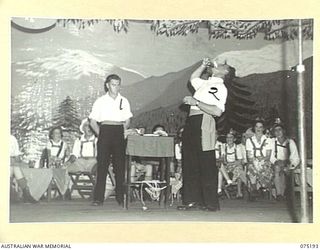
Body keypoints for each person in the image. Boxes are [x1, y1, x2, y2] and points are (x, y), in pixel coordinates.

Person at [178, 58, 234, 211]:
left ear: (225, 72)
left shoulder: (221, 88)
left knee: (206, 163)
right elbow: (193, 79)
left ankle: (210, 203)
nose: (218, 64)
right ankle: (191, 200)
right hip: (192, 122)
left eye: (222, 65)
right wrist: (203, 65)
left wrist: (195, 102)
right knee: (189, 161)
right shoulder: (206, 83)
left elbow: (216, 111)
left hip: (204, 122)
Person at [89, 74, 132, 206]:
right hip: (105, 131)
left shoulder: (124, 101)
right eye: (113, 84)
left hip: (119, 130)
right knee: (102, 166)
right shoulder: (100, 101)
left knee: (120, 166)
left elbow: (128, 120)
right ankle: (98, 198)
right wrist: (101, 134)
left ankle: (121, 197)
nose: (116, 87)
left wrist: (123, 132)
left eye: (118, 84)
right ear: (107, 85)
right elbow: (92, 121)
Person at [270, 118, 300, 201]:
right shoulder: (272, 142)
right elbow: (271, 156)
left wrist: (291, 166)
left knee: (284, 169)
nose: (278, 132)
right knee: (277, 168)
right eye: (275, 130)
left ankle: (284, 192)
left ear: (283, 131)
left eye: (280, 130)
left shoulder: (290, 142)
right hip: (276, 164)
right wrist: (276, 161)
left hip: (288, 164)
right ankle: (279, 193)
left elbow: (296, 158)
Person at [246, 118, 273, 201]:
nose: (258, 129)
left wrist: (263, 159)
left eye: (260, 127)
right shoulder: (249, 140)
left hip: (264, 162)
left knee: (263, 166)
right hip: (253, 162)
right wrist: (254, 160)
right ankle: (254, 189)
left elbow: (268, 156)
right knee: (251, 165)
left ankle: (261, 187)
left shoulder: (268, 140)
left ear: (263, 129)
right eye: (257, 127)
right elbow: (249, 155)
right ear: (254, 128)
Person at [10, 134, 36, 203]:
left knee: (15, 168)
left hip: (11, 164)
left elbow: (16, 155)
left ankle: (25, 194)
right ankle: (26, 194)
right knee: (14, 168)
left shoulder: (12, 138)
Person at [221, 129, 246, 199]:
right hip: (226, 167)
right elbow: (222, 159)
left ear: (234, 139)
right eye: (227, 137)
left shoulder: (238, 147)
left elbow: (240, 160)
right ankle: (232, 184)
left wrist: (232, 164)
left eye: (231, 137)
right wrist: (226, 162)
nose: (229, 139)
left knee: (239, 169)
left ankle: (239, 192)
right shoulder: (223, 146)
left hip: (235, 165)